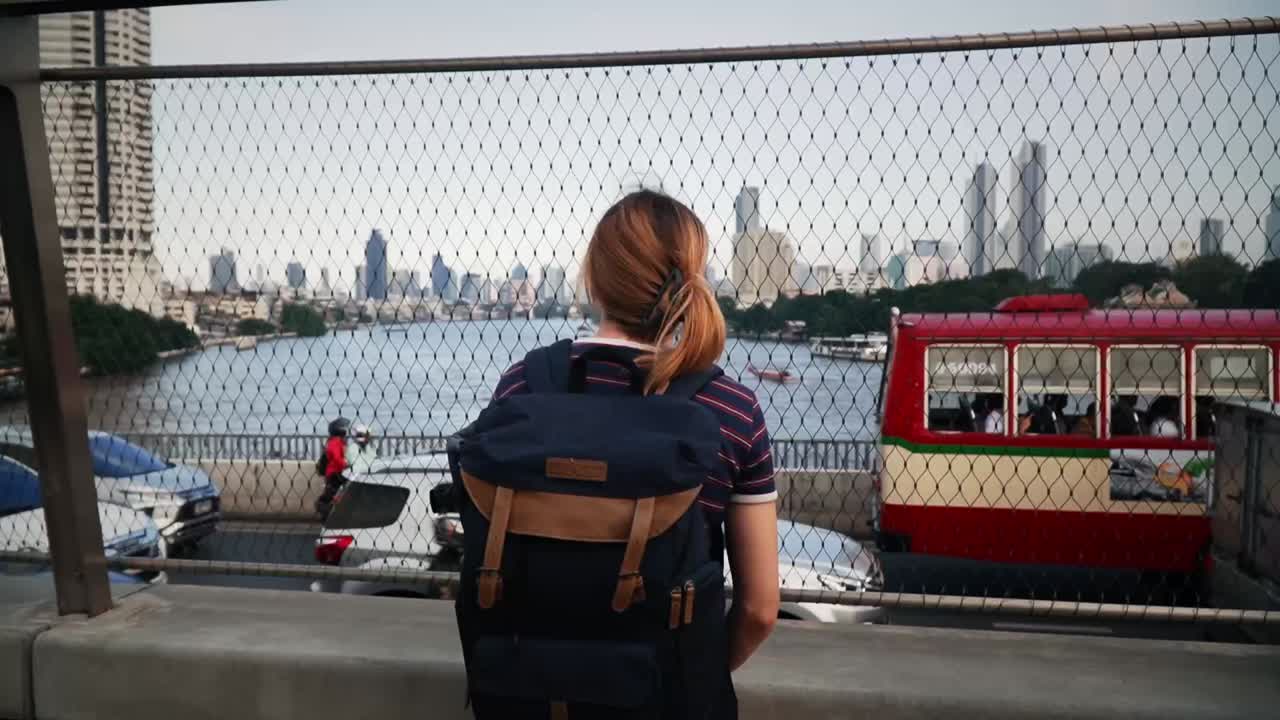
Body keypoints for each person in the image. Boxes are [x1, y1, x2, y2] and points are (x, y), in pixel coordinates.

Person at [487, 191, 779, 711]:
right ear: (693, 280)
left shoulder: (522, 389)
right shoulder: (731, 411)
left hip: (535, 697)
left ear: (594, 281)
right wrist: (696, 669)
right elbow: (758, 609)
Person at [314, 417, 350, 519]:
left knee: (334, 493)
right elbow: (337, 458)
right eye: (343, 429)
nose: (345, 431)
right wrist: (346, 464)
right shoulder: (335, 442)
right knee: (333, 493)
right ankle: (324, 510)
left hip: (336, 472)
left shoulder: (335, 441)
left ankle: (327, 510)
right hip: (335, 473)